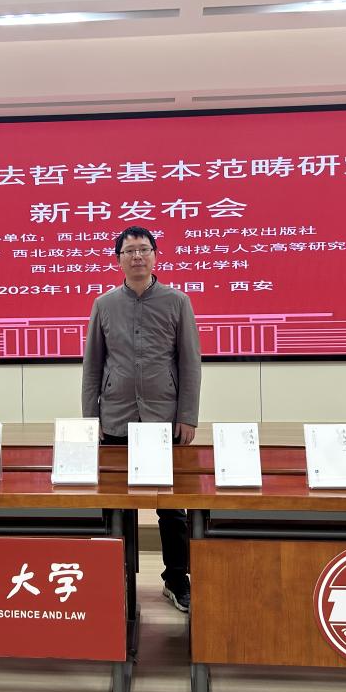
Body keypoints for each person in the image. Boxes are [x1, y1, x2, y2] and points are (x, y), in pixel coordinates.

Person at [81, 225, 201, 612]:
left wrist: (187, 416)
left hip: (162, 420)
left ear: (155, 255)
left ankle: (176, 580)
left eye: (144, 249)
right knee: (115, 506)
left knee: (171, 507)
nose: (137, 256)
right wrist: (90, 420)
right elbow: (92, 366)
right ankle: (115, 580)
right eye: (129, 250)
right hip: (116, 419)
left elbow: (190, 363)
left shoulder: (177, 301)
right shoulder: (104, 304)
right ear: (118, 259)